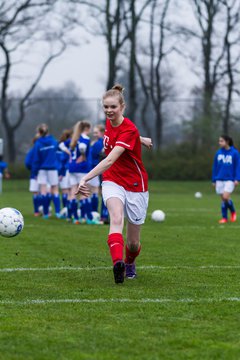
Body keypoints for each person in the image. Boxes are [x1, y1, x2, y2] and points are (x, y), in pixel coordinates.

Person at [76, 84, 152, 284]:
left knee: (133, 243)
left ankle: (129, 261)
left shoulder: (129, 129)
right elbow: (115, 145)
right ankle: (117, 264)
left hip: (136, 185)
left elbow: (109, 158)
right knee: (116, 218)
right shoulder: (111, 123)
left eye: (113, 107)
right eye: (106, 107)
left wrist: (85, 178)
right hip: (112, 180)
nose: (109, 111)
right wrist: (141, 139)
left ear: (122, 107)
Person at [32, 123, 61, 219]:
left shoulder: (38, 143)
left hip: (42, 169)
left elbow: (36, 159)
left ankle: (45, 213)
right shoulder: (54, 142)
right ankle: (57, 212)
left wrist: (35, 172)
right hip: (53, 168)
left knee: (43, 190)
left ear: (39, 133)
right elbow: (58, 156)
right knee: (55, 190)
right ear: (48, 131)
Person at [212, 135, 240, 224]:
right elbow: (215, 167)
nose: (219, 143)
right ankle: (224, 218)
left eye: (221, 141)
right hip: (219, 179)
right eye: (219, 141)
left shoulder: (235, 153)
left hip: (230, 179)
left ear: (227, 141)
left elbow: (237, 167)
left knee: (225, 197)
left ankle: (232, 212)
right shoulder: (218, 153)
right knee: (223, 199)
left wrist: (237, 179)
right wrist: (214, 180)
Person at [25, 133, 41, 216]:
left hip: (34, 174)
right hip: (43, 172)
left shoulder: (31, 151)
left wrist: (32, 169)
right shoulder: (43, 149)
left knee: (36, 193)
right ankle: (45, 211)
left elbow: (27, 162)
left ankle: (36, 211)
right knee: (43, 192)